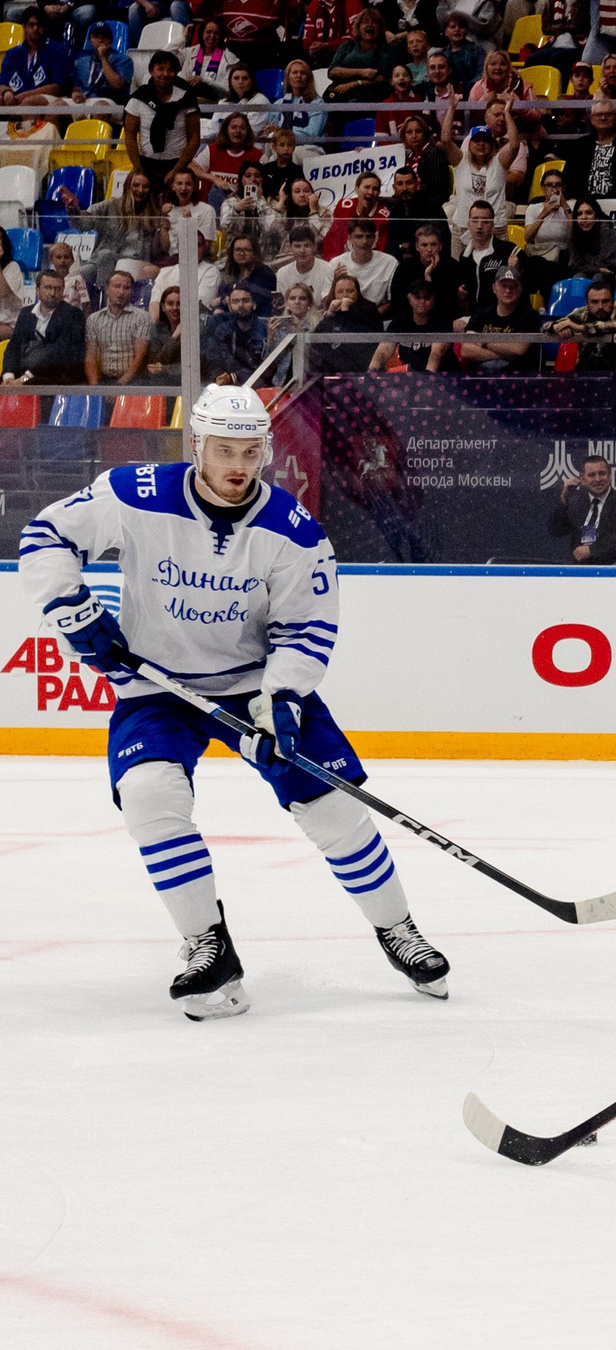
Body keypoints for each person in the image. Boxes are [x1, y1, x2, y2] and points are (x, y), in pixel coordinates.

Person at [15, 385, 453, 1018]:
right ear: (197, 446)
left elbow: (306, 627)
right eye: (224, 451)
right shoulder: (134, 493)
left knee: (332, 811)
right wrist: (72, 609)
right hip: (156, 686)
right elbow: (46, 535)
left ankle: (397, 928)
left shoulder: (293, 531)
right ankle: (207, 946)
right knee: (149, 796)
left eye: (251, 452)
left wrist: (282, 698)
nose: (238, 466)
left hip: (256, 687)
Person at [123, 49, 202, 191]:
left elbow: (194, 139)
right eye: (160, 69)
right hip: (146, 164)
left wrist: (177, 170)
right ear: (151, 71)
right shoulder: (139, 98)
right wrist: (138, 169)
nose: (165, 74)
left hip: (178, 164)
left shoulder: (187, 98)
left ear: (176, 72)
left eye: (170, 70)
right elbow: (130, 138)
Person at [549, 452, 616, 562]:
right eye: (591, 475)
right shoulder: (575, 502)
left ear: (610, 475)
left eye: (602, 473)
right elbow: (555, 531)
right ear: (582, 479)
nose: (598, 479)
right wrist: (563, 499)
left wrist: (592, 550)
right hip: (581, 572)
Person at [2, 266, 86, 383]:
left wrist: (24, 378)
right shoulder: (26, 313)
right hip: (21, 374)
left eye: (58, 289)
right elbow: (13, 347)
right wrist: (8, 375)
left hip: (54, 376)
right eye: (48, 288)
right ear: (37, 290)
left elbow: (58, 353)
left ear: (63, 291)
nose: (52, 293)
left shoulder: (74, 315)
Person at [454, 263, 544, 370]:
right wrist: (505, 354)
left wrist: (483, 341)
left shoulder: (530, 316)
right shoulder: (480, 315)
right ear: (494, 288)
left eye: (513, 286)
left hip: (518, 379)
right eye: (503, 285)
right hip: (480, 380)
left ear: (520, 289)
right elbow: (466, 351)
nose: (508, 290)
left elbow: (518, 350)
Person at [389, 222, 475, 325]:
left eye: (433, 244)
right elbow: (398, 303)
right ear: (417, 247)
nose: (429, 249)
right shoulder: (404, 269)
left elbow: (451, 305)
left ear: (440, 246)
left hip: (445, 323)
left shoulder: (453, 267)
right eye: (424, 245)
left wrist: (429, 278)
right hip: (410, 323)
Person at [549, 271, 616, 371]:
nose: (600, 306)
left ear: (613, 301)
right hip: (586, 373)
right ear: (587, 303)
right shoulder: (582, 312)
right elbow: (547, 327)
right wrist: (556, 327)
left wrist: (579, 328)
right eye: (594, 302)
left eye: (605, 301)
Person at [374, 274, 455, 370]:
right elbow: (383, 351)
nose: (422, 301)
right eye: (417, 297)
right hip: (411, 375)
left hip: (442, 376)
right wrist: (371, 372)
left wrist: (427, 380)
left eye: (427, 297)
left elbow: (436, 354)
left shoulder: (442, 321)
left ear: (433, 299)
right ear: (409, 298)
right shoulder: (400, 320)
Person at [307, 271, 381, 373]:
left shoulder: (369, 309)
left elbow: (358, 336)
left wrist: (345, 311)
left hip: (361, 365)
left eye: (350, 291)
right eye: (340, 292)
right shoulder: (332, 310)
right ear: (334, 294)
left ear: (358, 293)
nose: (345, 295)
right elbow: (317, 341)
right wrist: (329, 314)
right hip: (333, 367)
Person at [202, 282, 269, 383]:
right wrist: (219, 376)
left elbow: (265, 369)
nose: (240, 305)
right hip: (226, 387)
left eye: (245, 301)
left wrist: (233, 377)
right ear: (230, 307)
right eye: (235, 302)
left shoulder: (265, 330)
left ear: (254, 304)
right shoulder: (222, 330)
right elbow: (213, 359)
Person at [329, 217, 397, 307]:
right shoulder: (336, 263)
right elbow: (327, 303)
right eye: (359, 237)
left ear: (375, 238)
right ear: (350, 238)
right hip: (344, 315)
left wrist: (369, 316)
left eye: (368, 236)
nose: (364, 242)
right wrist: (334, 282)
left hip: (377, 317)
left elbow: (392, 301)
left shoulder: (389, 262)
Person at [272, 222, 331, 308]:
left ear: (314, 247)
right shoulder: (282, 273)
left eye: (307, 246)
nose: (302, 251)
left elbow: (326, 304)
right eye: (297, 246)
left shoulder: (327, 269)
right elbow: (283, 306)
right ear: (290, 247)